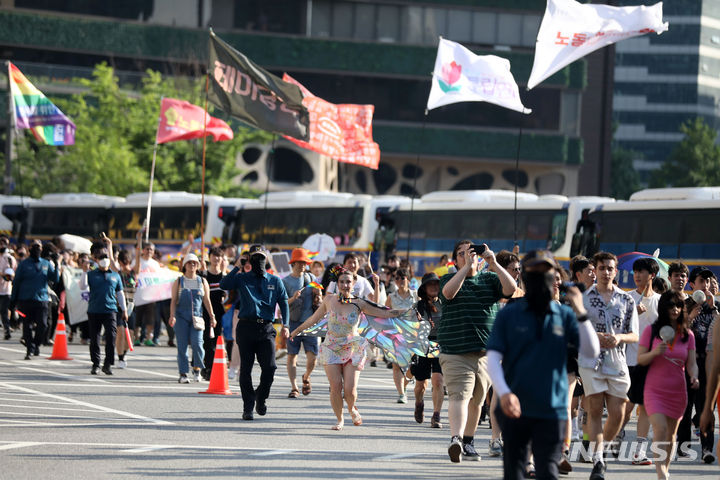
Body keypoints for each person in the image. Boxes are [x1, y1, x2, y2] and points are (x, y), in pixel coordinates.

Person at [488, 250, 600, 480]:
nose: (540, 278)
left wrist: (580, 311)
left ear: (555, 276)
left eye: (546, 272)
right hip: (514, 406)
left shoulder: (564, 314)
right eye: (534, 272)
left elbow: (591, 351)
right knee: (514, 472)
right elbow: (492, 357)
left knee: (548, 472)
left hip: (552, 408)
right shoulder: (509, 314)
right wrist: (504, 392)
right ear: (525, 277)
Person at [289, 267, 407, 430]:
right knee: (335, 386)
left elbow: (384, 312)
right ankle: (340, 419)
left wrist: (408, 311)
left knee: (350, 391)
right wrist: (296, 331)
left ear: (354, 284)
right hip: (331, 348)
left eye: (348, 282)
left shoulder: (359, 303)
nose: (345, 285)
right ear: (337, 284)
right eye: (342, 282)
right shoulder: (329, 300)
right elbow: (313, 319)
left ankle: (351, 408)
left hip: (352, 348)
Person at [439, 240, 516, 463]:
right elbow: (448, 293)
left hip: (485, 354)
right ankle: (456, 439)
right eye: (461, 254)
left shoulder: (490, 279)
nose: (467, 256)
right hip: (455, 351)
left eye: (470, 253)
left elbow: (510, 289)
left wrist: (493, 262)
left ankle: (468, 442)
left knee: (477, 401)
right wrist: (465, 268)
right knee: (459, 396)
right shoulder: (449, 278)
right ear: (456, 259)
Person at [579, 251, 638, 480]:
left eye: (609, 268)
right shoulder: (583, 298)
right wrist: (594, 336)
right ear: (595, 270)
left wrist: (619, 338)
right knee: (594, 410)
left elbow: (634, 335)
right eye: (601, 268)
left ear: (616, 271)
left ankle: (601, 450)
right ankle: (598, 460)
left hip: (617, 361)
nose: (605, 272)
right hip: (590, 361)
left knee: (618, 412)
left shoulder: (627, 300)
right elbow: (574, 330)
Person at [220, 244, 289, 421]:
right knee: (246, 369)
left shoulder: (275, 281)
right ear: (249, 259)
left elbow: (284, 302)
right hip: (246, 327)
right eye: (255, 258)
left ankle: (261, 396)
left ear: (266, 260)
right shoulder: (242, 278)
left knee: (270, 367)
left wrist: (286, 325)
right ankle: (248, 406)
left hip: (266, 328)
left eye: (262, 258)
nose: (259, 261)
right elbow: (224, 284)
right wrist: (237, 265)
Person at [637, 291, 700, 480]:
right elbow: (640, 359)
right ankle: (661, 472)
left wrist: (694, 376)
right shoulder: (651, 331)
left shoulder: (687, 335)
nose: (675, 309)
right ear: (663, 307)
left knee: (671, 435)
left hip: (678, 391)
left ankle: (665, 467)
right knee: (661, 429)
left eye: (678, 305)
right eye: (671, 305)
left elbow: (691, 363)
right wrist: (655, 352)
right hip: (653, 390)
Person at [623, 257, 661, 466]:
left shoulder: (660, 301)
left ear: (652, 275)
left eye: (642, 272)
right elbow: (617, 328)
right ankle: (612, 438)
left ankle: (639, 451)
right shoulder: (626, 298)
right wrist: (632, 314)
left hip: (650, 362)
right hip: (628, 360)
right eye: (635, 272)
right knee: (624, 408)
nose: (637, 275)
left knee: (645, 407)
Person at [679, 266, 718, 463]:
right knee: (685, 409)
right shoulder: (683, 305)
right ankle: (683, 447)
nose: (706, 285)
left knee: (706, 408)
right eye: (702, 282)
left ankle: (707, 449)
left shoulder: (716, 307)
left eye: (709, 282)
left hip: (709, 365)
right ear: (692, 285)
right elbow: (674, 333)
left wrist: (715, 307)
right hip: (687, 365)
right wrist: (689, 317)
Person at [80, 242, 128, 375]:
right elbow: (83, 286)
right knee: (95, 339)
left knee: (111, 337)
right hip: (94, 310)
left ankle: (107, 364)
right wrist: (84, 271)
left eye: (105, 257)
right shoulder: (91, 274)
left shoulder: (115, 275)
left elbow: (120, 293)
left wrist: (124, 310)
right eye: (101, 258)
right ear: (96, 260)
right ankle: (95, 364)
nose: (104, 260)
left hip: (110, 310)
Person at [169, 253, 216, 383]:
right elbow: (173, 300)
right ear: (184, 265)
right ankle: (183, 373)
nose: (192, 265)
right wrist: (172, 315)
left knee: (198, 344)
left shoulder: (202, 281)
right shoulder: (179, 281)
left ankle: (197, 370)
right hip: (181, 317)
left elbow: (207, 300)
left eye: (195, 263)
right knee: (182, 346)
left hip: (197, 317)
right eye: (189, 263)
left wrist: (212, 316)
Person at [11, 240, 60, 360]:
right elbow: (16, 282)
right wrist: (13, 300)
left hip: (42, 299)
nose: (37, 249)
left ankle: (36, 343)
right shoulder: (23, 264)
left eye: (39, 247)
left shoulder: (46, 263)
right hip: (26, 299)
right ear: (30, 248)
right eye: (35, 246)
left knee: (43, 325)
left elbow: (55, 279)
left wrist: (56, 263)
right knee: (27, 325)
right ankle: (29, 348)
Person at [283, 248, 320, 398]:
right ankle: (294, 387)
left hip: (310, 323)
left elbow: (320, 298)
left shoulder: (311, 278)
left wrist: (319, 296)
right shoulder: (285, 281)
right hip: (293, 323)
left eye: (305, 262)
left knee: (313, 357)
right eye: (300, 262)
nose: (303, 265)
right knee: (292, 355)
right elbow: (282, 303)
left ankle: (306, 376)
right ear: (294, 263)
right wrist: (292, 298)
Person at [411, 272, 444, 428]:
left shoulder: (446, 303)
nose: (434, 287)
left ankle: (436, 415)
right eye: (430, 284)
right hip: (423, 346)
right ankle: (419, 403)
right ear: (424, 288)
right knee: (420, 385)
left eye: (436, 284)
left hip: (441, 346)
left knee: (438, 381)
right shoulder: (418, 306)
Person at [386, 267, 417, 404]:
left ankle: (404, 386)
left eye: (402, 278)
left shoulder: (416, 295)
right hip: (396, 335)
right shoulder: (391, 297)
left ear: (408, 279)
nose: (399, 281)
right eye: (397, 278)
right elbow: (385, 314)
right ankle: (401, 393)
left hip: (412, 334)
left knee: (412, 367)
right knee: (397, 365)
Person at [199, 247, 227, 380]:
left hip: (220, 313)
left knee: (216, 340)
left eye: (219, 256)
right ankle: (207, 366)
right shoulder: (203, 275)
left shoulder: (224, 277)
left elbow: (228, 296)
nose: (216, 259)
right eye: (214, 256)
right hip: (204, 311)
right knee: (205, 339)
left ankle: (212, 367)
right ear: (209, 257)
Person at [133, 231, 159, 346]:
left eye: (151, 250)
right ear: (143, 250)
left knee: (150, 319)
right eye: (147, 249)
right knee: (137, 318)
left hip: (151, 295)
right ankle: (137, 338)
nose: (149, 251)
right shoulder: (137, 261)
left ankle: (149, 338)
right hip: (139, 294)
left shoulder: (155, 264)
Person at [116, 249, 136, 369]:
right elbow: (112, 262)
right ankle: (120, 358)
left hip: (131, 306)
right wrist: (109, 245)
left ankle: (124, 353)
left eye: (127, 261)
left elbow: (138, 257)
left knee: (131, 335)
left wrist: (139, 239)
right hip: (118, 307)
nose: (125, 264)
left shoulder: (134, 273)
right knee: (120, 332)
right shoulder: (116, 273)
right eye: (123, 262)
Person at [0, 236, 16, 340]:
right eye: (0, 243)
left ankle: (7, 329)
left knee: (4, 311)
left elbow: (14, 273)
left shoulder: (10, 258)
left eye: (4, 243)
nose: (2, 245)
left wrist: (6, 275)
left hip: (6, 290)